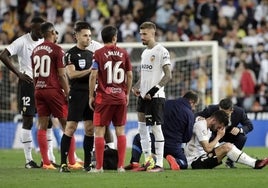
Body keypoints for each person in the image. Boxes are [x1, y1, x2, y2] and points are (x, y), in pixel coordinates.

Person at [0, 16, 45, 169]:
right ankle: (28, 160)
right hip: (27, 84)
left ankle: (48, 159)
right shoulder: (21, 41)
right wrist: (18, 73)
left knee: (47, 120)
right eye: (39, 30)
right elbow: (3, 55)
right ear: (32, 28)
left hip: (42, 85)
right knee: (28, 121)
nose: (41, 33)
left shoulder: (44, 42)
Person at [89, 25, 132, 173]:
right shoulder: (124, 53)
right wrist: (126, 93)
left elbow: (93, 74)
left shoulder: (98, 53)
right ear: (114, 38)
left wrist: (90, 95)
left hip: (104, 98)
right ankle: (120, 166)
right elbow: (130, 75)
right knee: (120, 131)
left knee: (99, 131)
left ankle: (99, 167)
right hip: (120, 97)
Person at [132, 21, 172, 172]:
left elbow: (168, 75)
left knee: (156, 129)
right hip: (143, 96)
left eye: (144, 34)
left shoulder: (162, 51)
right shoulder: (144, 52)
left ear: (153, 33)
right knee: (142, 128)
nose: (141, 37)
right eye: (140, 34)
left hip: (155, 97)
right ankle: (148, 161)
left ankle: (160, 164)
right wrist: (136, 86)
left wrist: (153, 91)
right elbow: (144, 75)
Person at [124, 90, 199, 171]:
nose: (194, 108)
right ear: (191, 101)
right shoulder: (189, 114)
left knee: (138, 138)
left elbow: (153, 120)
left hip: (156, 142)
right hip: (173, 147)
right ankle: (175, 160)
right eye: (195, 105)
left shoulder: (166, 103)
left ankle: (134, 163)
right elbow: (187, 137)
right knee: (184, 163)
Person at [31, 22, 69, 169]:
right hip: (53, 89)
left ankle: (46, 162)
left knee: (42, 125)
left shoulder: (35, 50)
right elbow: (61, 75)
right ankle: (70, 160)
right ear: (52, 32)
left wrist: (37, 88)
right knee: (66, 124)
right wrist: (68, 92)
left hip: (39, 89)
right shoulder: (57, 50)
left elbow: (34, 74)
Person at [59, 21, 95, 173]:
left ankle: (87, 164)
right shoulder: (70, 54)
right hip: (77, 94)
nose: (88, 39)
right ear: (77, 36)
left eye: (90, 36)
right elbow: (71, 74)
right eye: (85, 36)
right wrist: (91, 70)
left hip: (90, 94)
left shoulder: (92, 54)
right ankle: (63, 164)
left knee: (89, 129)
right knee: (70, 128)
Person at [184, 110, 268, 170]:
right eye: (220, 126)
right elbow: (207, 148)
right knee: (227, 146)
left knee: (228, 146)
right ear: (213, 120)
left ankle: (255, 163)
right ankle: (255, 163)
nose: (219, 129)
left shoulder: (208, 128)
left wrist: (222, 147)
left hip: (202, 158)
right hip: (194, 162)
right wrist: (219, 137)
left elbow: (211, 148)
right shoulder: (201, 125)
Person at [195, 97, 254, 168]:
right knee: (210, 138)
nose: (222, 114)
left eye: (225, 113)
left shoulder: (239, 112)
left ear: (231, 110)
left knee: (242, 137)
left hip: (230, 135)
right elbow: (196, 115)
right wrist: (198, 118)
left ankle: (230, 161)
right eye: (220, 111)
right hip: (214, 135)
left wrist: (240, 129)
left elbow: (249, 125)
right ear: (219, 107)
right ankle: (210, 158)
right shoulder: (212, 109)